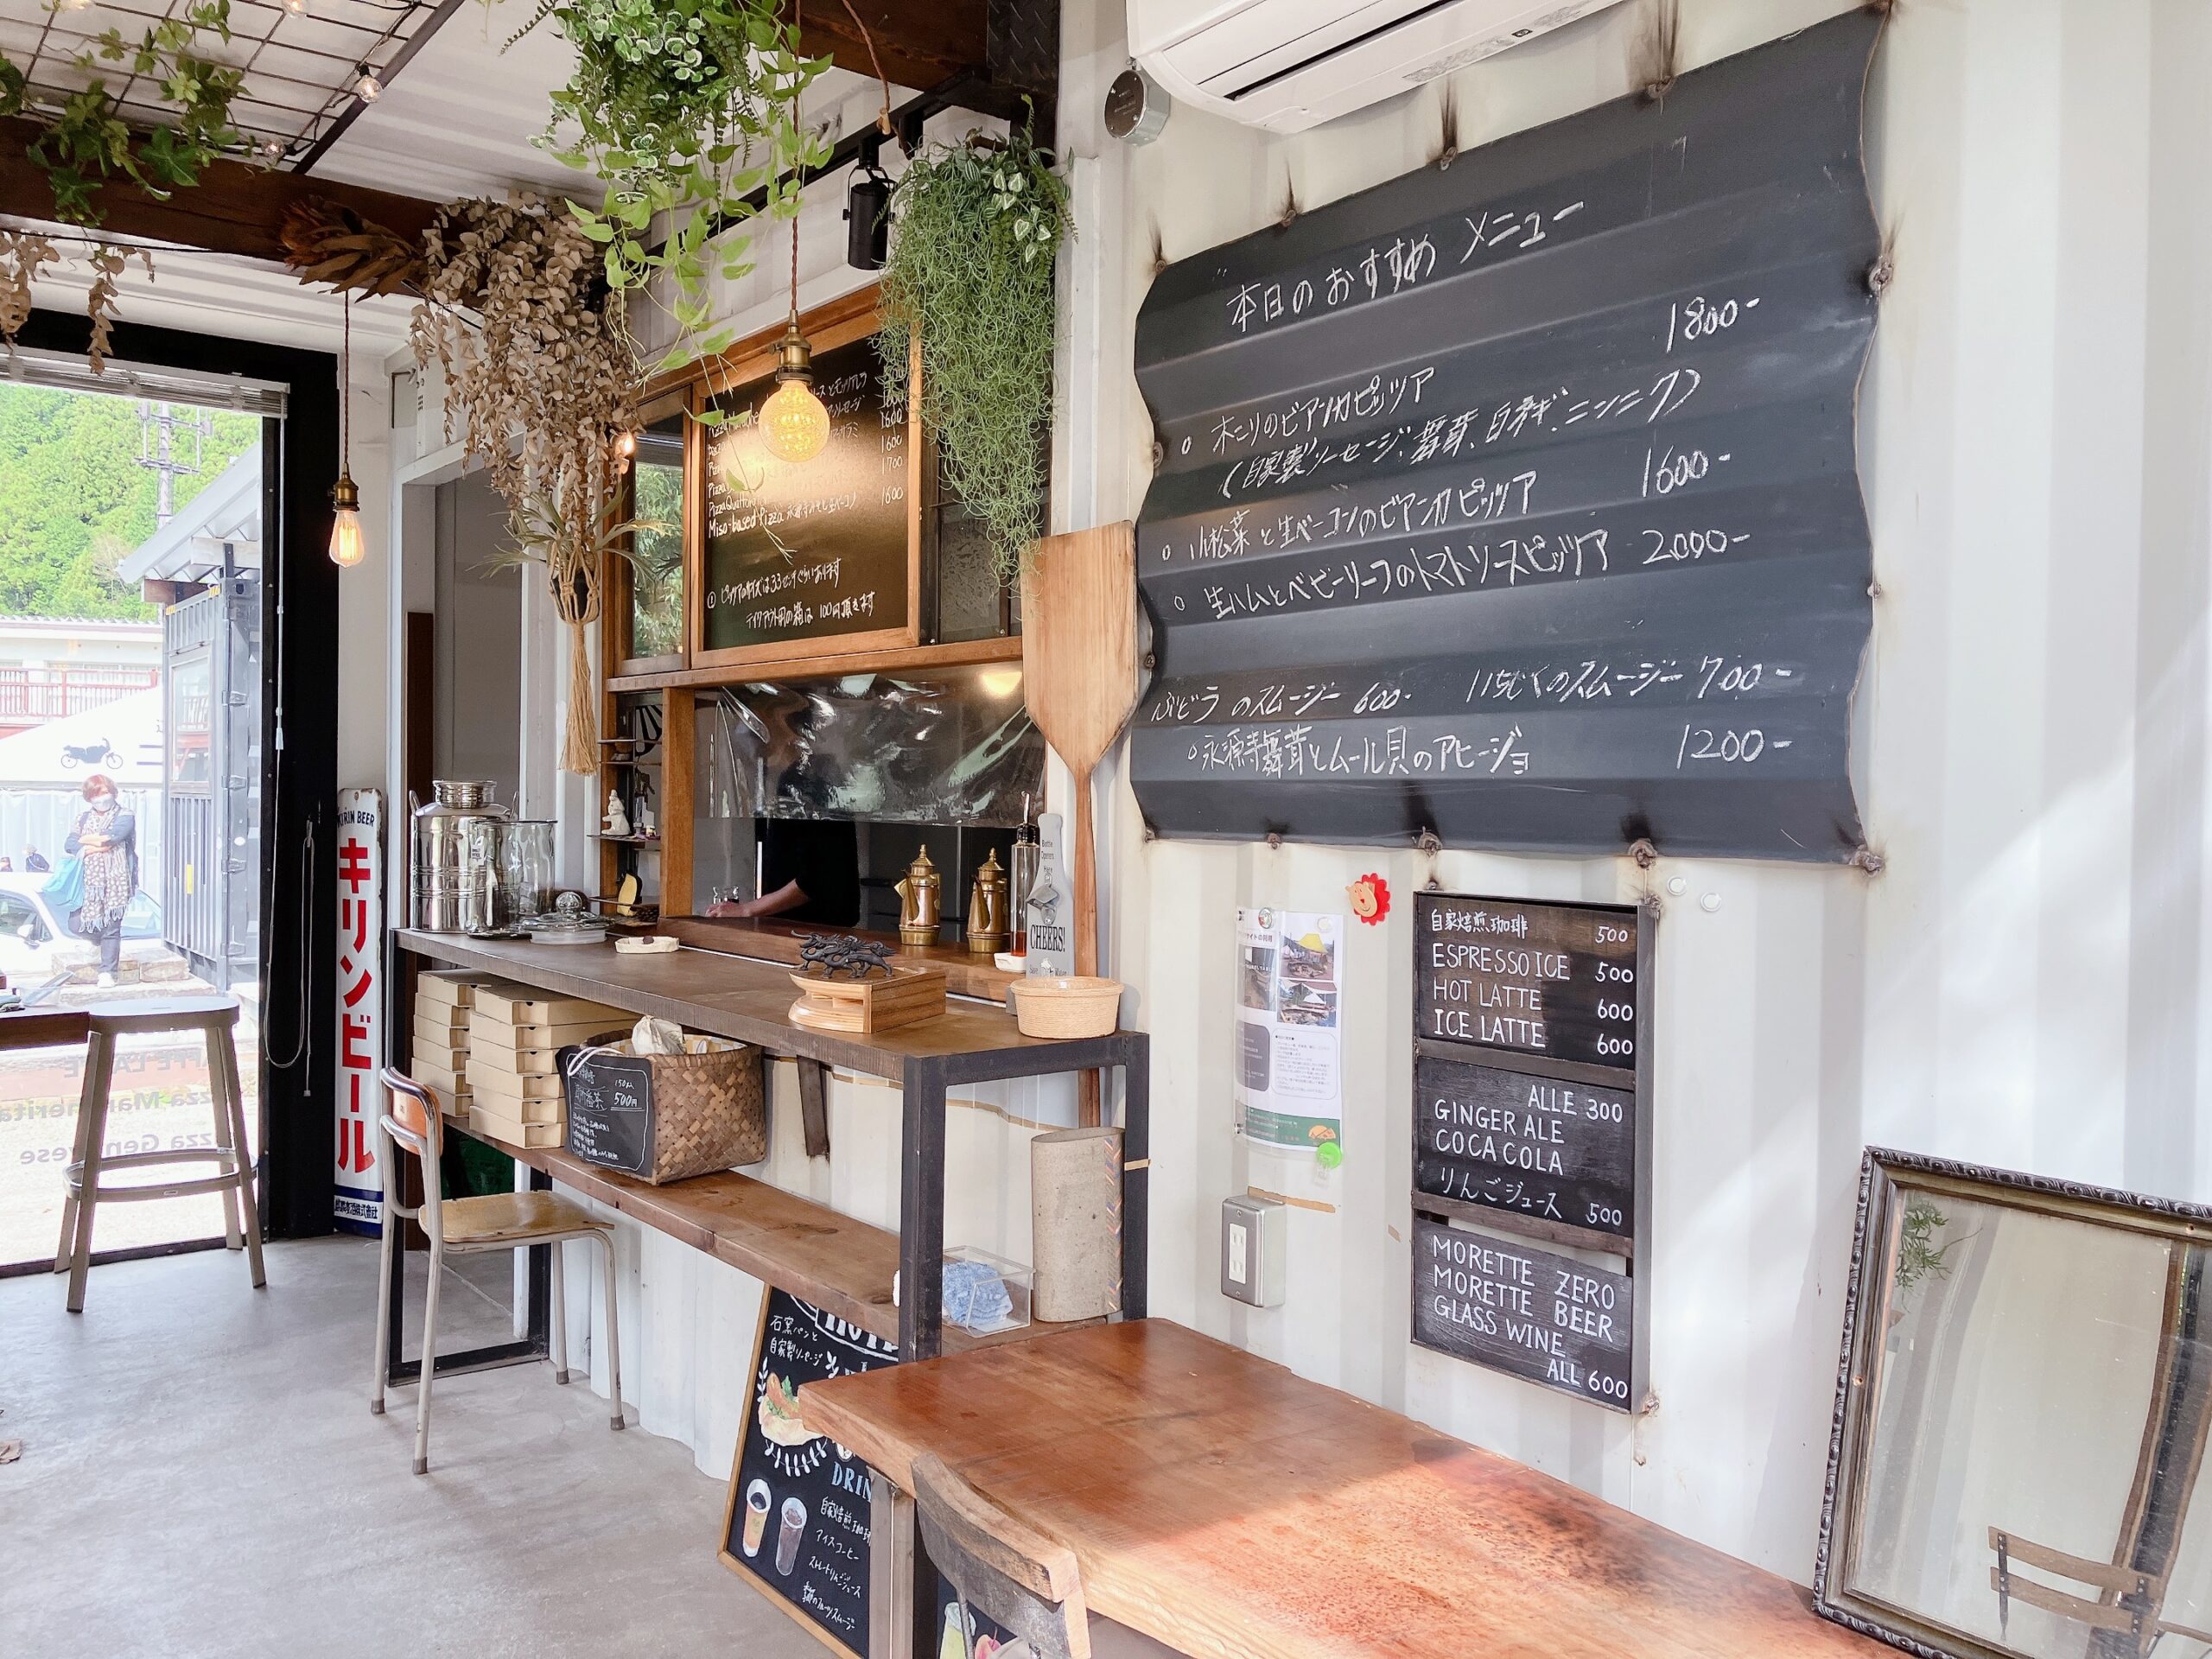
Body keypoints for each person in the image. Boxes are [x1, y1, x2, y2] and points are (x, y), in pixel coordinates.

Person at [66, 774, 137, 988]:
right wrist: (88, 845)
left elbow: (112, 838)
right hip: (88, 882)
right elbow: (70, 843)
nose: (102, 797)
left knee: (112, 928)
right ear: (89, 797)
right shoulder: (82, 818)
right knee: (75, 924)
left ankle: (107, 972)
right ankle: (97, 941)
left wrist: (86, 841)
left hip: (118, 879)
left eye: (105, 792)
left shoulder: (125, 815)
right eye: (97, 793)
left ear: (113, 792)